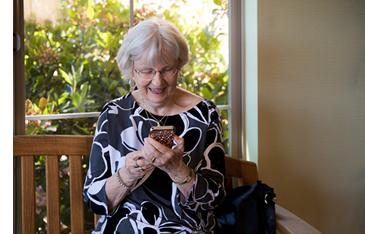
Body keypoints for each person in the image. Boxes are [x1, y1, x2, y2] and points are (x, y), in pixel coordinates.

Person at [83, 18, 226, 233]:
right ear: (132, 70)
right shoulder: (114, 114)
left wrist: (178, 170)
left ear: (179, 65)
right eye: (147, 71)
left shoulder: (204, 113)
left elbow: (214, 200)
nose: (158, 82)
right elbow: (94, 200)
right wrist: (128, 175)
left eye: (167, 69)